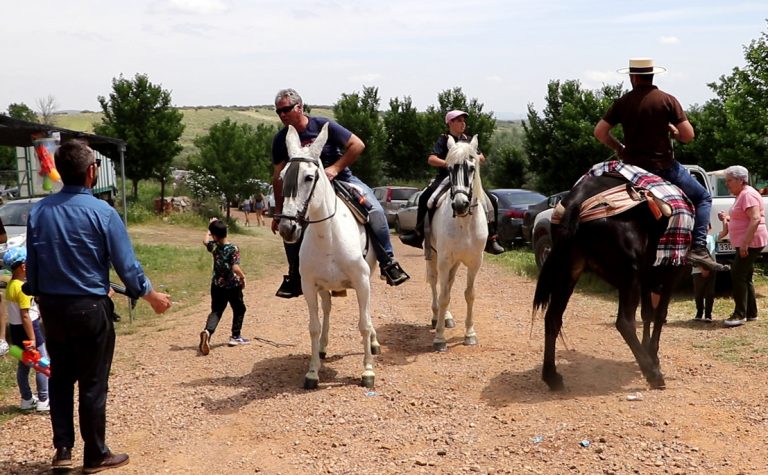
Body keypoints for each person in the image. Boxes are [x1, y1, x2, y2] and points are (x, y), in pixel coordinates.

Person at [26, 139, 172, 473]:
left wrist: (40, 292)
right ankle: (95, 454)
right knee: (92, 383)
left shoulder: (39, 212)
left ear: (62, 172)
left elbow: (32, 268)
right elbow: (127, 266)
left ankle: (63, 450)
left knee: (62, 378)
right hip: (90, 309)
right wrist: (150, 296)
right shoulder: (103, 213)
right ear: (92, 171)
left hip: (51, 308)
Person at [270, 88, 409, 298]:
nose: (282, 115)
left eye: (286, 109)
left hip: (341, 179)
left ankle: (388, 262)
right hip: (305, 187)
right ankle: (294, 275)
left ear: (299, 106)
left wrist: (335, 168)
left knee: (377, 211)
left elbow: (357, 144)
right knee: (289, 223)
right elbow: (278, 175)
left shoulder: (322, 125)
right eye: (278, 111)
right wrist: (279, 210)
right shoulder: (281, 139)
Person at [594, 57, 728, 273]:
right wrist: (673, 131)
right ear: (651, 75)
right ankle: (699, 247)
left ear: (633, 77)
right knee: (703, 197)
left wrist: (619, 148)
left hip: (631, 170)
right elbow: (688, 135)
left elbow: (600, 132)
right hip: (663, 167)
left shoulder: (622, 102)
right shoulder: (667, 100)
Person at [400, 110, 505, 254]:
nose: (463, 123)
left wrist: (473, 159)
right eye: (459, 120)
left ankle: (492, 238)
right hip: (446, 177)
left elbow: (482, 157)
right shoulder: (443, 139)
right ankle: (418, 234)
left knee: (491, 200)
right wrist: (449, 163)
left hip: (467, 178)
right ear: (450, 123)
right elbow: (431, 159)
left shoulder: (468, 140)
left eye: (464, 120)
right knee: (425, 197)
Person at [718, 165, 768, 327]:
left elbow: (755, 219)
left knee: (738, 274)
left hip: (751, 242)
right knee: (745, 275)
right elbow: (744, 218)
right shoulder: (743, 194)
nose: (727, 184)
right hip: (747, 241)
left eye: (729, 180)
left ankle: (740, 314)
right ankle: (750, 312)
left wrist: (746, 243)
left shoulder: (747, 195)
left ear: (741, 180)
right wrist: (727, 218)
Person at [4, 247, 50, 411]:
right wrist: (32, 339)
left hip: (15, 334)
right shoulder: (23, 289)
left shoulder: (10, 285)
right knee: (42, 363)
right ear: (23, 266)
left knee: (24, 365)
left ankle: (26, 398)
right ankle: (44, 399)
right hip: (30, 330)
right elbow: (26, 316)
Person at [199, 217, 249, 355]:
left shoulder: (214, 246)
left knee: (216, 311)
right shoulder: (233, 248)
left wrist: (209, 229)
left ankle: (208, 331)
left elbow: (205, 241)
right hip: (232, 285)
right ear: (226, 231)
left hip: (217, 285)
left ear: (214, 235)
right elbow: (235, 267)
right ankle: (235, 336)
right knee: (239, 308)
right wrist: (243, 277)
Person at [691, 224, 725, 322]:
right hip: (697, 270)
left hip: (711, 270)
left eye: (706, 226)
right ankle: (699, 313)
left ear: (709, 228)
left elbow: (725, 232)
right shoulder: (694, 240)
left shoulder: (712, 237)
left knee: (710, 293)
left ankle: (708, 315)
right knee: (698, 293)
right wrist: (702, 268)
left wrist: (724, 221)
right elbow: (693, 255)